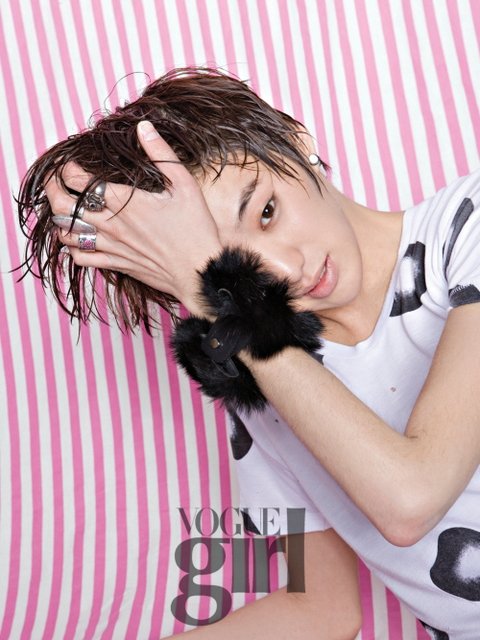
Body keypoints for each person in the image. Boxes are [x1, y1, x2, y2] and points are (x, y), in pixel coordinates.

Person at [17, 67, 480, 639]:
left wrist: (226, 302)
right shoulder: (267, 384)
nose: (286, 270)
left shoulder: (467, 227)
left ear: (295, 141)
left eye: (265, 211)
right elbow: (320, 609)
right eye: (238, 272)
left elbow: (411, 499)